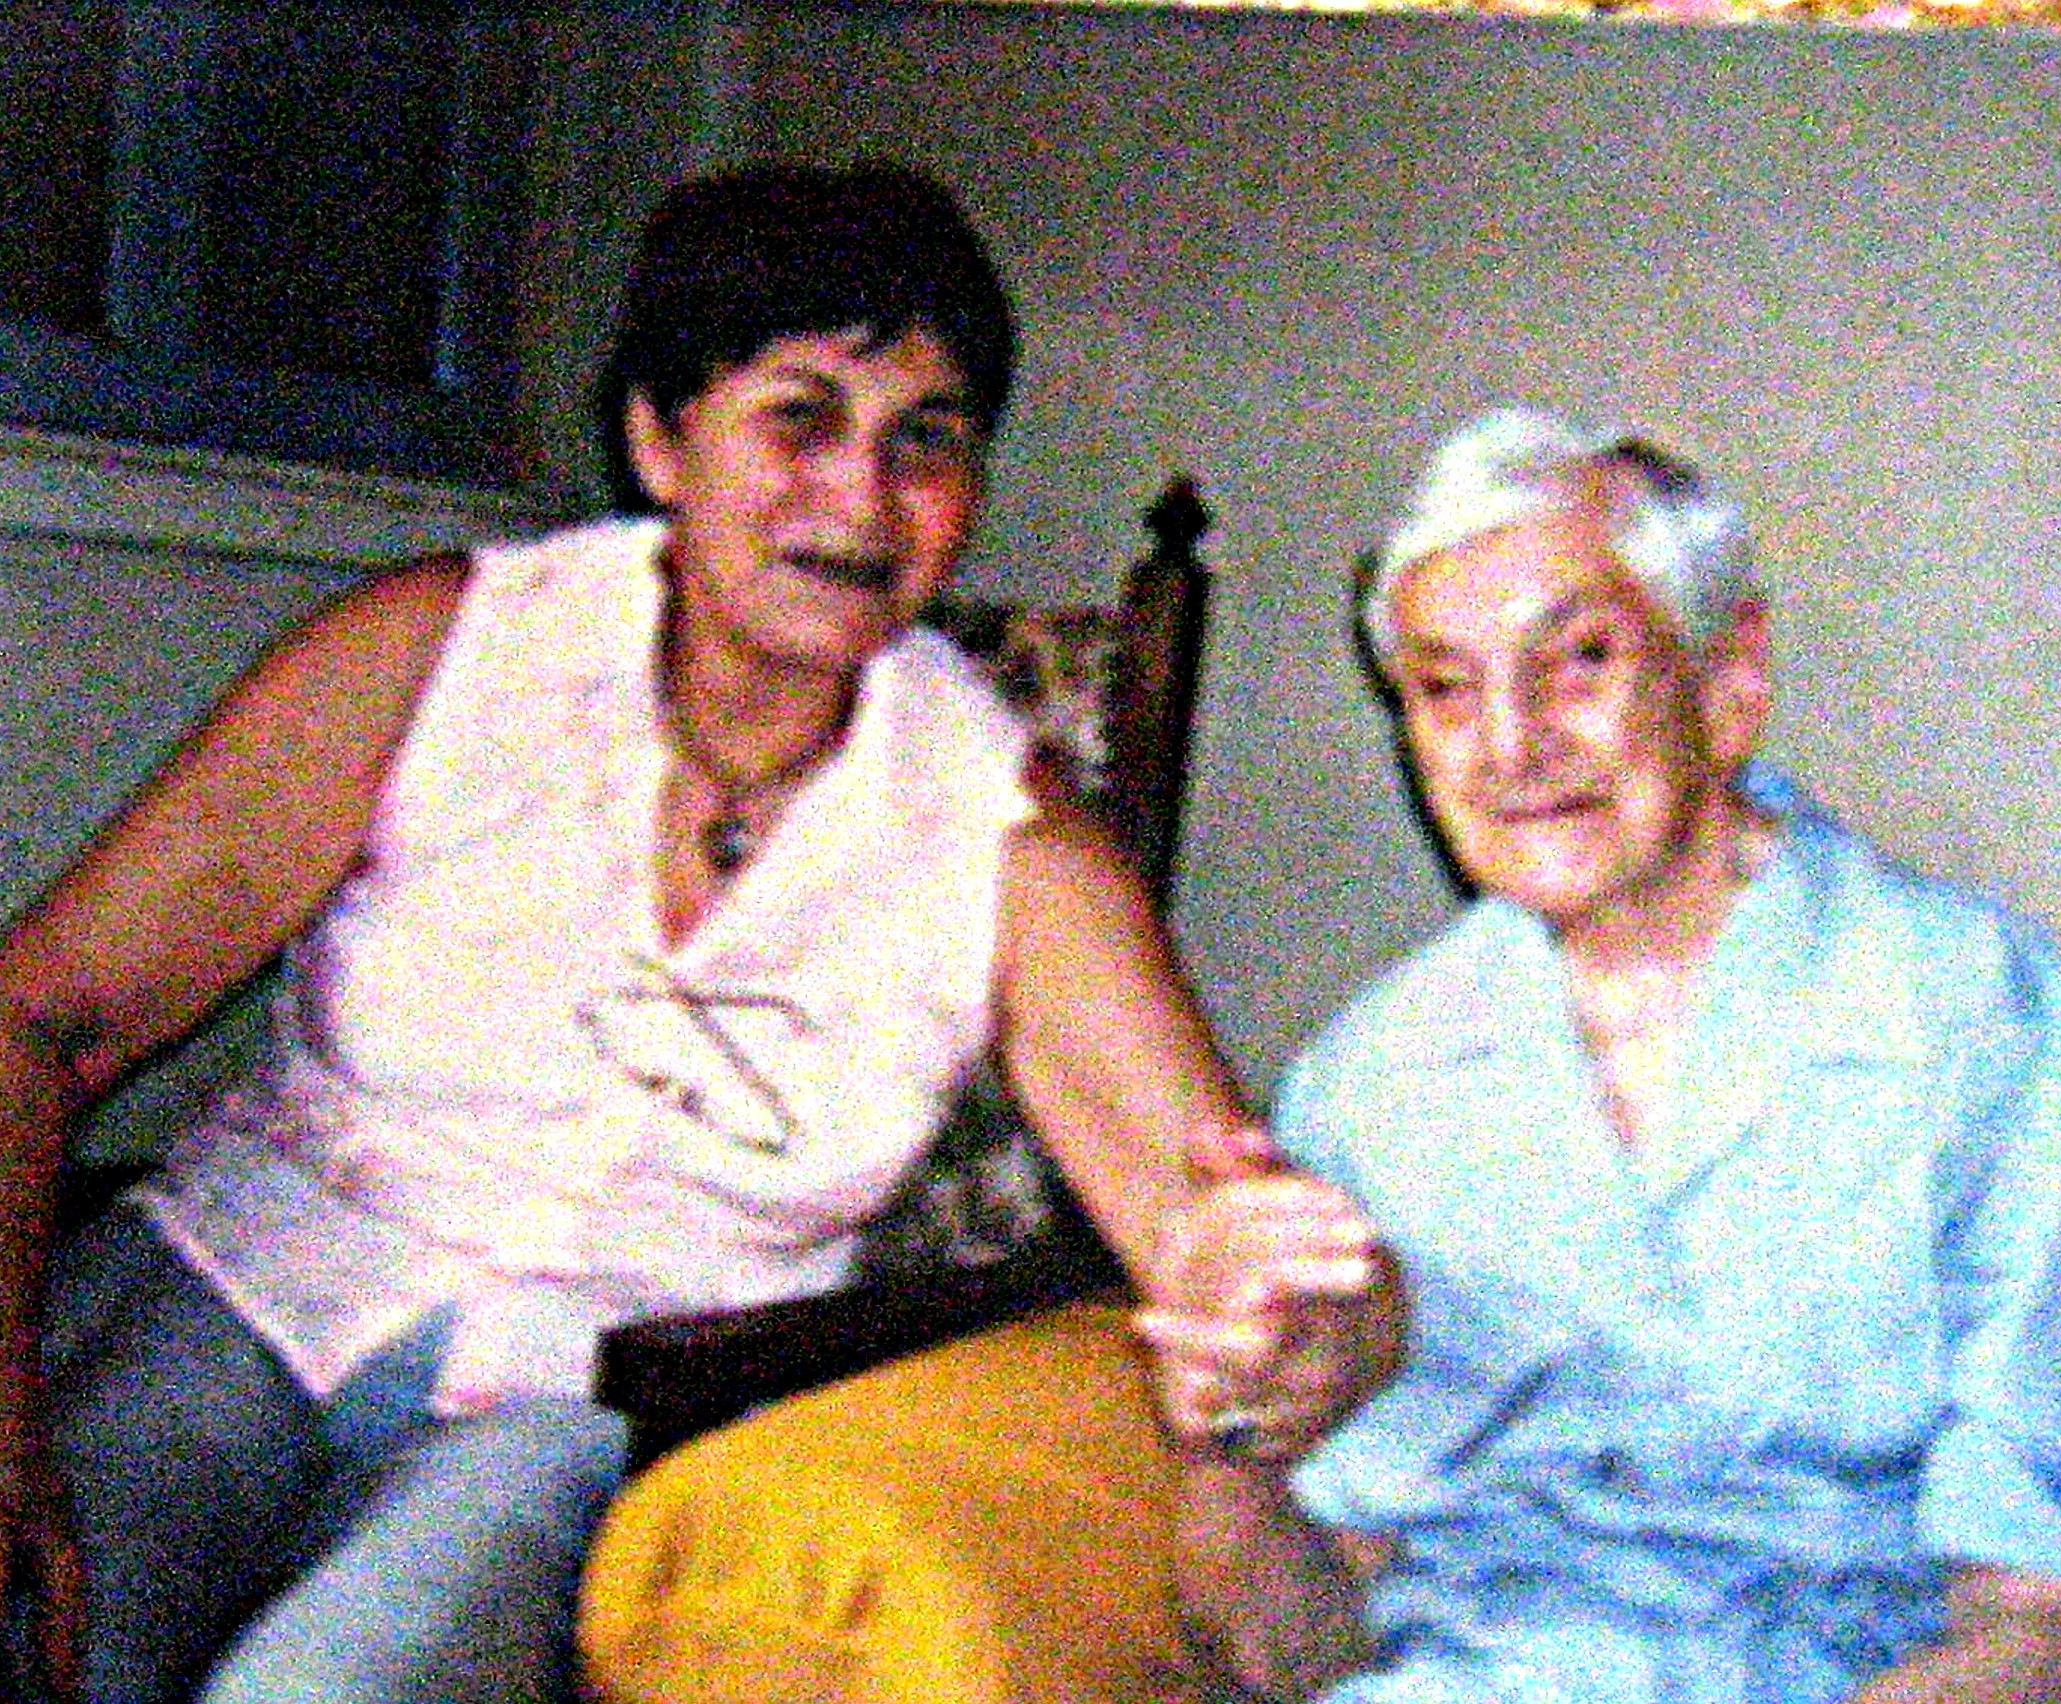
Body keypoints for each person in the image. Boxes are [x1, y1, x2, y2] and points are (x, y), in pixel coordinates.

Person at [0, 162, 1385, 1704]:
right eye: (800, 418)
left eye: (926, 441)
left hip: (576, 1413)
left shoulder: (1008, 839)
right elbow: (40, 1013)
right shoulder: (440, 650)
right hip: (236, 1292)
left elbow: (1220, 1229)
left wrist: (1283, 1340)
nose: (862, 496)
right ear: (661, 442)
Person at [1148, 404, 2061, 1702]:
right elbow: (1288, 1656)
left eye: (1579, 661)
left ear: (1729, 682)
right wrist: (1231, 1435)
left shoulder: (1977, 1022)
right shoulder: (1368, 1086)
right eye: (1445, 689)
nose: (1511, 745)